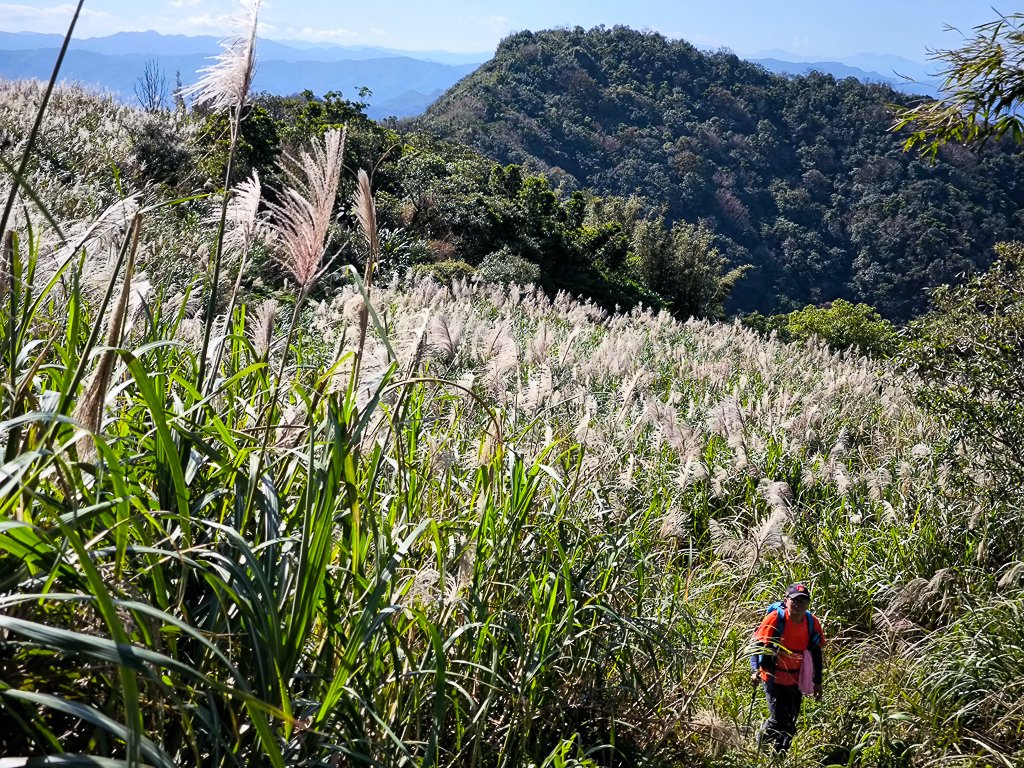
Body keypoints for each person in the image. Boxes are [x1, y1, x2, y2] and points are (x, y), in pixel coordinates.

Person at [750, 583, 825, 753]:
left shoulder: (812, 623)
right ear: (786, 601)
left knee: (789, 722)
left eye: (803, 601)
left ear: (808, 604)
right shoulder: (775, 619)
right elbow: (757, 645)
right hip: (772, 677)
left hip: (795, 679)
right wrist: (755, 671)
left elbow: (816, 653)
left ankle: (779, 756)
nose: (799, 606)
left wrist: (817, 682)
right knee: (779, 720)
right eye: (795, 601)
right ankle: (760, 743)